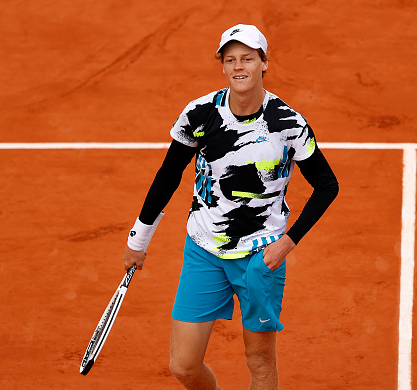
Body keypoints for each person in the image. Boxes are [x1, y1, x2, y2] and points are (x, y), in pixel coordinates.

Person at [123, 24, 339, 390]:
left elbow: (326, 185)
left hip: (260, 258)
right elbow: (168, 175)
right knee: (184, 366)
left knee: (259, 362)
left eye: (248, 59)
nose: (239, 67)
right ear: (223, 66)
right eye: (231, 59)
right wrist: (137, 240)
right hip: (204, 251)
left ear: (264, 64)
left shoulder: (288, 123)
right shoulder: (199, 114)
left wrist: (289, 241)